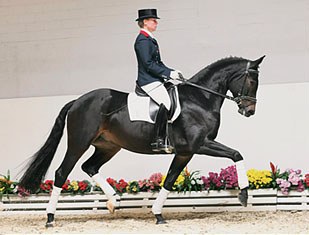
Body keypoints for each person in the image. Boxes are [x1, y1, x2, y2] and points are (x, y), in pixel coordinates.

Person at [134, 8, 182, 153]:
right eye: (153, 20)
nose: (156, 23)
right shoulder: (142, 40)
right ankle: (159, 140)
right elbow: (148, 64)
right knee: (166, 103)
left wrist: (172, 72)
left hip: (156, 79)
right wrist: (167, 73)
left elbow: (158, 63)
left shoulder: (150, 39)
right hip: (148, 81)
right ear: (145, 22)